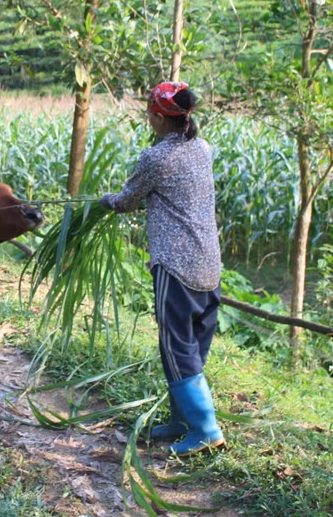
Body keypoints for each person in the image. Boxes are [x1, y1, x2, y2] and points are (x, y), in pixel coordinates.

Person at [99, 81, 225, 456]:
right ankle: (184, 419)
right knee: (194, 344)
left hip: (176, 263)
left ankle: (205, 429)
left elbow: (125, 201)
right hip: (209, 262)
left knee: (175, 346)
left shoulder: (156, 157)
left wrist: (103, 200)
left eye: (149, 113)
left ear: (157, 117)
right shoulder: (202, 148)